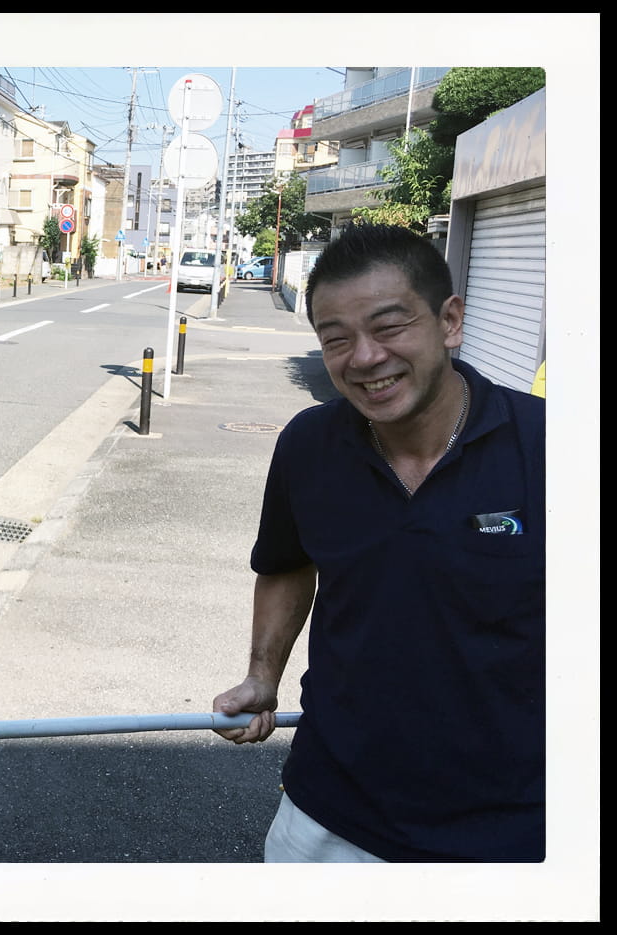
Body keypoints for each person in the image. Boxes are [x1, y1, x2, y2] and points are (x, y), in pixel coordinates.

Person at [212, 223, 544, 862]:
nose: (363, 358)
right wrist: (262, 674)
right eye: (336, 340)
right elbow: (286, 565)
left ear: (449, 320)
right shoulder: (309, 445)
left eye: (389, 328)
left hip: (513, 830)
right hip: (328, 814)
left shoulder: (548, 446)